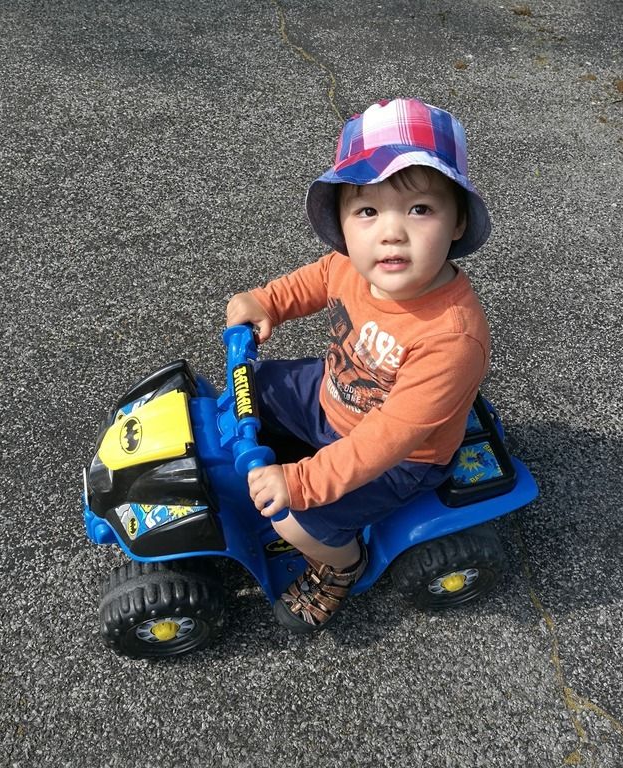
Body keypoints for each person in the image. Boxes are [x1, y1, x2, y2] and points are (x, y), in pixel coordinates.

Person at [225, 98, 492, 632]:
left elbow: (386, 440)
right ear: (343, 223)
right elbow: (318, 278)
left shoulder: (452, 338)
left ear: (458, 220)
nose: (391, 232)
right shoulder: (352, 265)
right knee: (252, 387)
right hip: (333, 393)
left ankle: (342, 567)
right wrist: (267, 301)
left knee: (296, 521)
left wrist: (304, 482)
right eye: (367, 211)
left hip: (403, 456)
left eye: (420, 209)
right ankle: (289, 461)